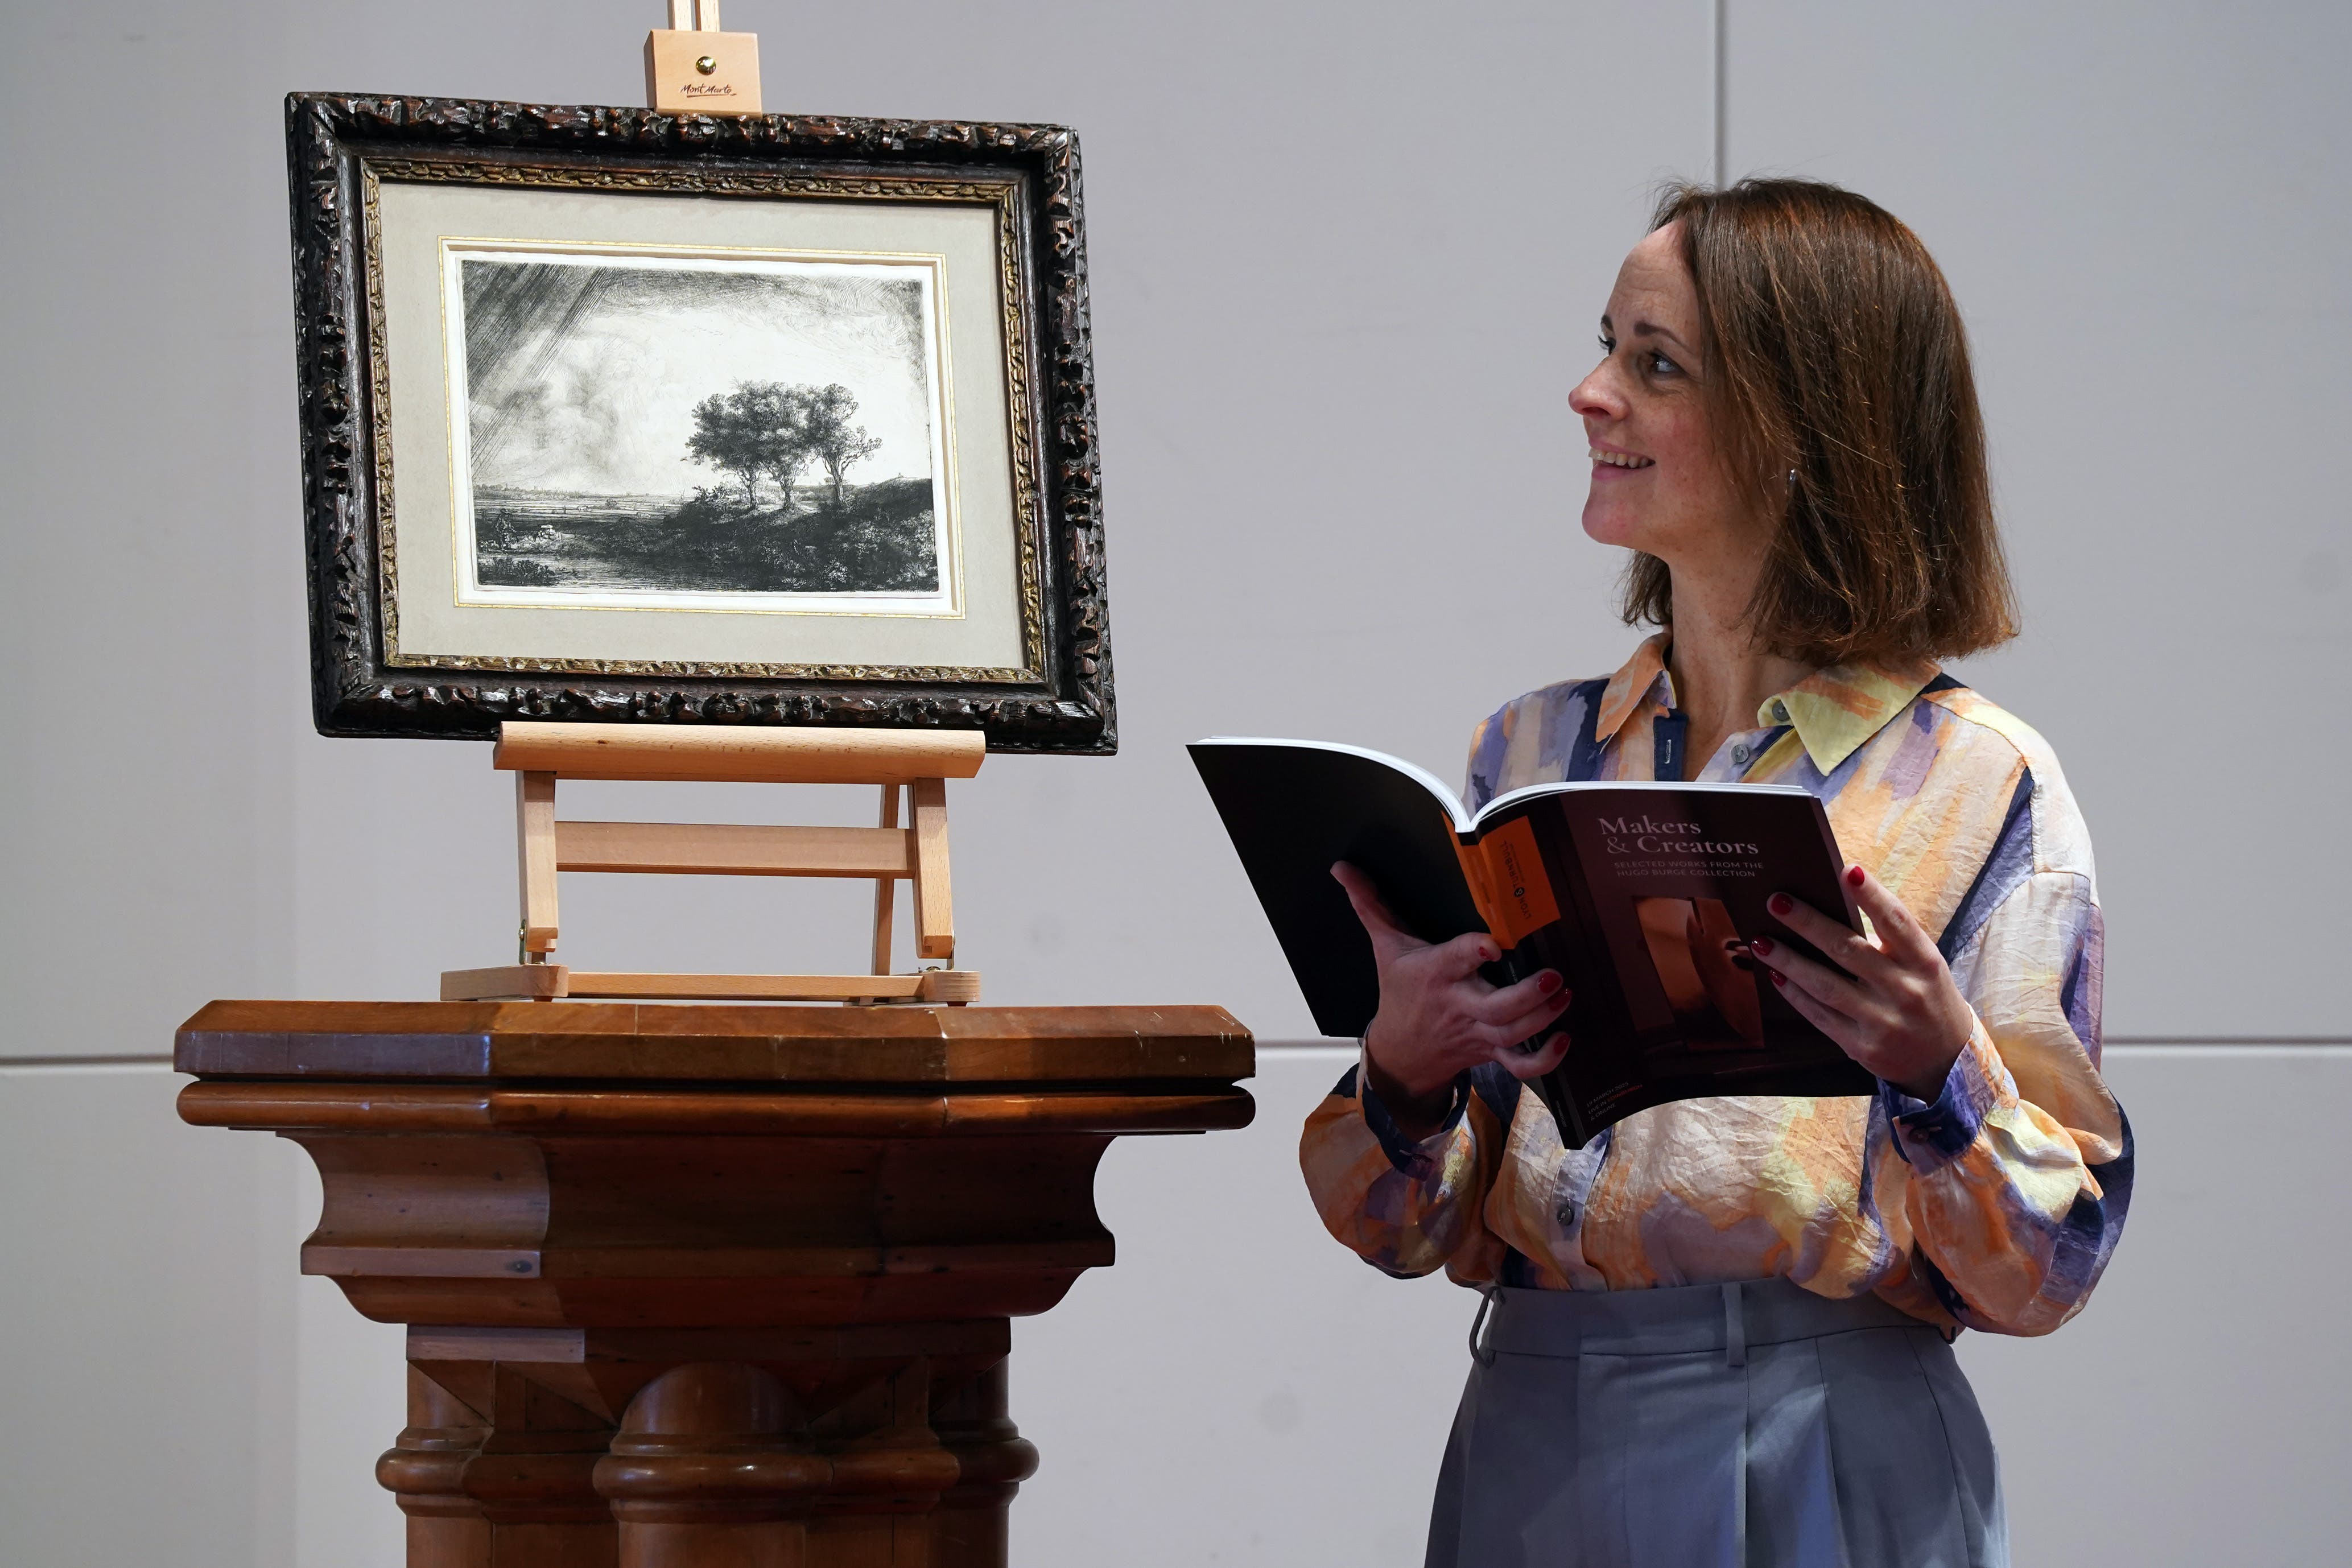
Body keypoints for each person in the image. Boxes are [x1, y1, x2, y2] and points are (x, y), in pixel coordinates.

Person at [1302, 178, 2131, 1568]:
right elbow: (1399, 1227)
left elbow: (2053, 1269)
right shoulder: (1533, 750)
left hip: (1832, 1444)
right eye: (1606, 345)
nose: (1588, 392)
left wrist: (1942, 1075)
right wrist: (1403, 1072)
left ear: (1805, 430)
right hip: (1533, 1434)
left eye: (1654, 362)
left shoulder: (1988, 784)